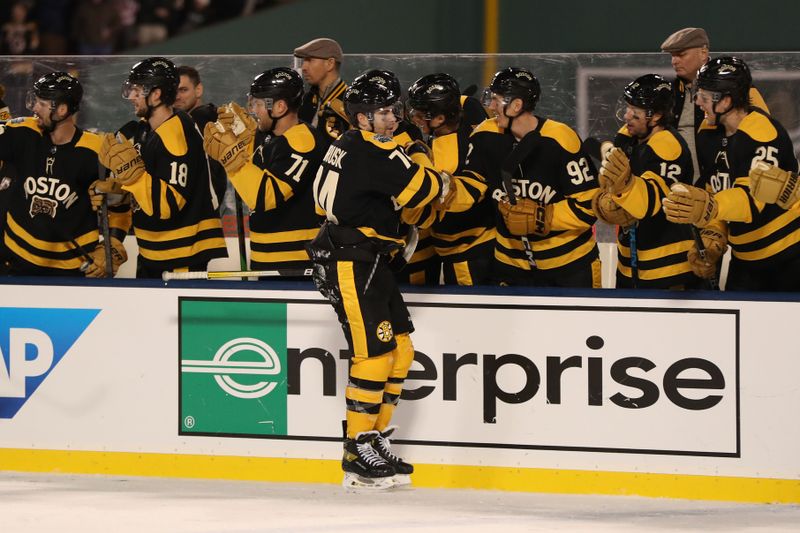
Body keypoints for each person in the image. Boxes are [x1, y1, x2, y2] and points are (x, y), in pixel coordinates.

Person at [306, 75, 444, 489]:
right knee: (374, 356)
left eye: (392, 110)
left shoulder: (347, 144)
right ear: (363, 117)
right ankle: (356, 449)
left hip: (367, 259)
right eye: (384, 111)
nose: (392, 118)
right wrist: (425, 163)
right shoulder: (375, 150)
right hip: (352, 261)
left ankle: (375, 437)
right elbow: (427, 188)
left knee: (401, 350)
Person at [663, 56, 800, 291]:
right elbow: (715, 188)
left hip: (788, 257)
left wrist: (710, 206)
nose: (697, 102)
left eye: (704, 97)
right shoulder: (708, 133)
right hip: (745, 259)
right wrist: (713, 237)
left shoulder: (761, 132)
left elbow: (752, 200)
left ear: (726, 101)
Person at [97, 57, 227, 278]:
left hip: (181, 251)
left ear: (156, 94)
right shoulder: (151, 130)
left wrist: (133, 178)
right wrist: (119, 187)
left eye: (137, 91)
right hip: (156, 251)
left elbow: (168, 203)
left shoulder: (176, 132)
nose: (131, 97)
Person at [479, 67, 600, 287]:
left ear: (516, 105)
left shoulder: (560, 138)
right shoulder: (484, 136)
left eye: (496, 100)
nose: (491, 106)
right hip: (511, 268)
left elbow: (589, 206)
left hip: (569, 266)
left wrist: (543, 217)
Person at [0, 72, 128, 277]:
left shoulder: (97, 149)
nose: (34, 108)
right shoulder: (22, 132)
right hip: (17, 261)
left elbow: (121, 204)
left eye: (41, 103)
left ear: (61, 110)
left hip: (73, 269)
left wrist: (113, 242)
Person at [203, 67, 326, 275]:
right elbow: (253, 171)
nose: (253, 110)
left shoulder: (302, 141)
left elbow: (265, 196)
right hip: (267, 258)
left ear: (279, 107)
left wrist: (232, 158)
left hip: (294, 263)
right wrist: (241, 142)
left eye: (259, 104)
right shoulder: (270, 136)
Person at [593, 74, 705, 289]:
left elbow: (648, 204)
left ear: (656, 117)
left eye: (635, 113)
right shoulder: (629, 135)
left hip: (669, 268)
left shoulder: (668, 146)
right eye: (627, 108)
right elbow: (612, 184)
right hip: (629, 265)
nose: (626, 117)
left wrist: (622, 187)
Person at [406, 72, 495, 285]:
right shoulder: (469, 108)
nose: (415, 119)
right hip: (490, 240)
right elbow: (465, 101)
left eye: (421, 115)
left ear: (440, 118)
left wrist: (415, 154)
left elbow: (425, 203)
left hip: (466, 252)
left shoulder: (445, 158)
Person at [661, 27, 768, 184]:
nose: (674, 61)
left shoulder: (737, 87)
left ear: (703, 53)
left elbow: (764, 131)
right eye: (672, 56)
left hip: (725, 185)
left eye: (681, 54)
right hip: (678, 188)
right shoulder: (668, 92)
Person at [174, 65, 227, 204]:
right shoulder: (181, 123)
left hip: (202, 210)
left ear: (198, 90)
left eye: (183, 90)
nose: (177, 97)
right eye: (173, 91)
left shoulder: (203, 118)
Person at [293, 37, 349, 144]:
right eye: (304, 61)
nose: (304, 67)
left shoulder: (350, 104)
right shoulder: (305, 100)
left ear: (330, 63)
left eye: (309, 60)